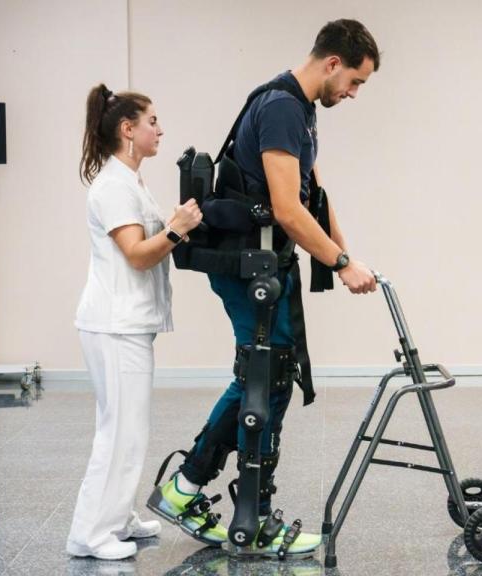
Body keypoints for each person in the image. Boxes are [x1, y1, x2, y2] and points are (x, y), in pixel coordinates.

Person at [147, 19, 380, 557]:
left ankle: (216, 499)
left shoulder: (302, 111)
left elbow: (314, 195)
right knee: (264, 374)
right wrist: (340, 262)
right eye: (355, 82)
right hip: (244, 262)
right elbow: (285, 208)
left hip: (263, 262)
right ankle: (208, 497)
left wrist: (346, 254)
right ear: (332, 63)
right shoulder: (280, 106)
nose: (353, 94)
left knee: (270, 374)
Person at [67, 84, 203, 560]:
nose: (160, 129)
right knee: (119, 430)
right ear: (128, 129)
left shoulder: (130, 180)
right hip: (114, 325)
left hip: (125, 322)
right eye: (152, 122)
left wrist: (175, 226)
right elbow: (138, 256)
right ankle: (90, 535)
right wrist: (176, 229)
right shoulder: (113, 186)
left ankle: (117, 516)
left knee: (128, 426)